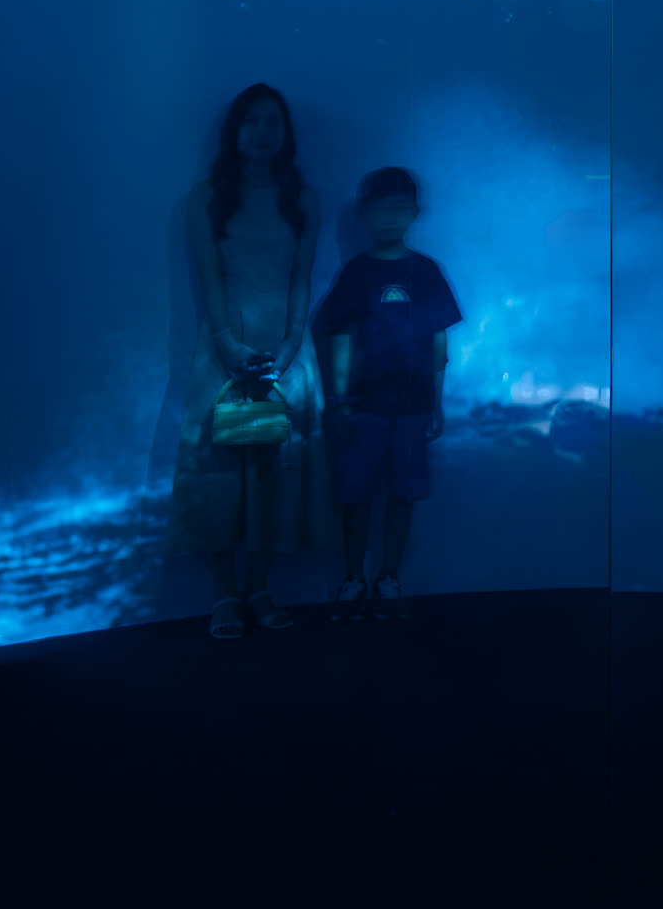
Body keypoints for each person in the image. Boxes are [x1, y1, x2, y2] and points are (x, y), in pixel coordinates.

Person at [170, 84, 323, 639]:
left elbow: (302, 277)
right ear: (235, 129)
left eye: (273, 122)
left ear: (286, 133)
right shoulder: (207, 196)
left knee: (275, 474)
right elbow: (209, 277)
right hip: (224, 349)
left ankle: (259, 588)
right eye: (252, 121)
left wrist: (290, 344)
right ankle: (223, 594)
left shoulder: (303, 198)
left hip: (287, 350)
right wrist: (228, 346)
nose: (262, 132)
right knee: (219, 475)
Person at [313, 166, 463, 615]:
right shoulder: (356, 272)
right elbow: (339, 337)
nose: (390, 218)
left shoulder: (427, 271)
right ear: (365, 213)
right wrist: (339, 400)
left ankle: (389, 577)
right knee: (355, 497)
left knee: (404, 495)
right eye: (381, 208)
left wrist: (436, 401)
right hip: (363, 406)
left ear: (415, 213)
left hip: (414, 405)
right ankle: (354, 577)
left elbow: (439, 339)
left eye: (399, 208)